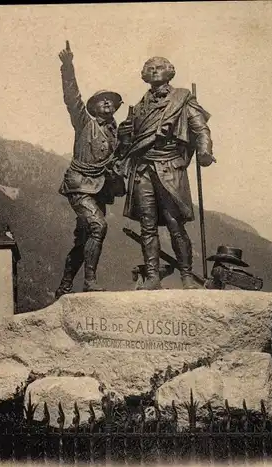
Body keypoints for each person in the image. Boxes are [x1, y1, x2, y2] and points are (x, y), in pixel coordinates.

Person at [117, 56, 216, 290]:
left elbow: (201, 129)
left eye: (159, 67)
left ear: (170, 72)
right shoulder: (139, 107)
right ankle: (152, 276)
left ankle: (187, 276)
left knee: (174, 223)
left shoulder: (182, 99)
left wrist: (204, 151)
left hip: (170, 167)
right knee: (147, 225)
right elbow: (128, 143)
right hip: (142, 170)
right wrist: (124, 137)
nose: (153, 70)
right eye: (148, 68)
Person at [55, 41, 125, 298]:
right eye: (102, 101)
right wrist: (67, 66)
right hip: (80, 185)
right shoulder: (84, 122)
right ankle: (89, 282)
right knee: (99, 227)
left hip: (99, 189)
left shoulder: (117, 133)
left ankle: (64, 286)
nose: (107, 104)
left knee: (84, 240)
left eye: (111, 102)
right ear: (93, 107)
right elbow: (72, 97)